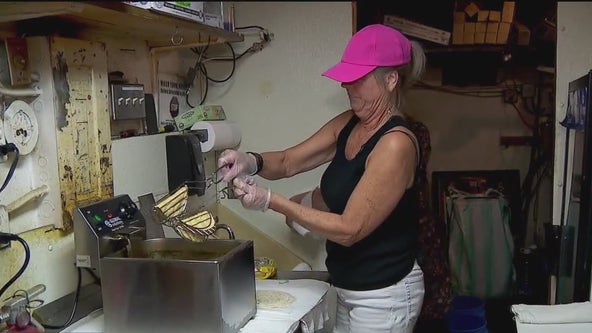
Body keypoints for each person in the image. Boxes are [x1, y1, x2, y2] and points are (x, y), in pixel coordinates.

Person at [218, 24, 426, 333]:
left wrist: (270, 201)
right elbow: (289, 162)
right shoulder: (350, 123)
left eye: (358, 78)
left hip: (385, 294)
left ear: (391, 80)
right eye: (347, 77)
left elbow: (349, 229)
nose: (346, 86)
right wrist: (251, 161)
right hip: (347, 284)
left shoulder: (395, 144)